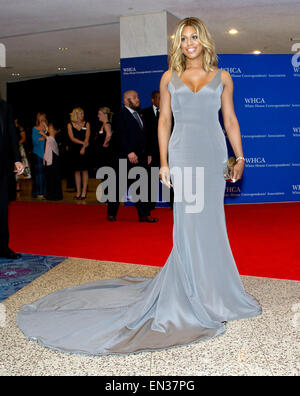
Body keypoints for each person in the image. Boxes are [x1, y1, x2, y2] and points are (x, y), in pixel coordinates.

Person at [17, 18, 261, 355]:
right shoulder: (169, 78)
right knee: (188, 223)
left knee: (212, 223)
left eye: (194, 37)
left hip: (213, 154)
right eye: (183, 38)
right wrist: (163, 162)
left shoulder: (223, 77)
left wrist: (240, 157)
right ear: (179, 44)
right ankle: (188, 292)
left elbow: (230, 119)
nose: (189, 42)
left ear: (204, 41)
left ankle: (216, 290)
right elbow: (163, 121)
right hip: (182, 153)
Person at [106, 90, 158, 223]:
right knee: (119, 187)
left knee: (141, 187)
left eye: (137, 97)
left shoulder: (140, 114)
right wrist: (129, 152)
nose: (137, 99)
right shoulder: (120, 115)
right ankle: (111, 213)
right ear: (126, 101)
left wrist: (148, 153)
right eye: (134, 97)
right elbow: (120, 136)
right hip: (125, 157)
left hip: (141, 157)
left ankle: (144, 215)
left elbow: (145, 136)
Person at [0, 98, 24, 259]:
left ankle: (3, 248)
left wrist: (17, 159)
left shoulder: (4, 106)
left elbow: (11, 133)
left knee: (2, 209)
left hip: (2, 166)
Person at [142, 91, 161, 210]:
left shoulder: (169, 111)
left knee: (169, 177)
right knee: (151, 178)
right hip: (151, 152)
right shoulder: (144, 113)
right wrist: (147, 152)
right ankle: (150, 204)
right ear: (153, 99)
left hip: (166, 151)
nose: (161, 100)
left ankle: (173, 203)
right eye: (158, 98)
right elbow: (144, 135)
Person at [67, 108, 90, 200]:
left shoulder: (87, 124)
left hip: (84, 149)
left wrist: (84, 147)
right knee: (76, 171)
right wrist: (82, 143)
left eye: (83, 113)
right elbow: (72, 138)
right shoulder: (70, 124)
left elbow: (87, 138)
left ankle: (84, 192)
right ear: (75, 114)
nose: (82, 115)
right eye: (81, 114)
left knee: (84, 170)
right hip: (74, 149)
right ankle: (78, 192)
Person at [44, 123, 63, 201]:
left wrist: (42, 133)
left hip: (53, 161)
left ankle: (55, 195)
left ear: (55, 131)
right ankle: (50, 194)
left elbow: (48, 139)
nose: (49, 130)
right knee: (49, 178)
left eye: (51, 128)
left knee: (53, 178)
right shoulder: (50, 138)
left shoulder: (52, 139)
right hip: (49, 160)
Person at [32, 113, 47, 199]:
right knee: (39, 174)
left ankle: (45, 191)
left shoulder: (47, 128)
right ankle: (39, 192)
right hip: (38, 153)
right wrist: (43, 137)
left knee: (45, 173)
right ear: (38, 119)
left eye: (43, 117)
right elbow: (34, 142)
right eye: (40, 117)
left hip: (46, 154)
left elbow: (50, 137)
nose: (42, 119)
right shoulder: (35, 129)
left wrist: (46, 130)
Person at [93, 107, 113, 171]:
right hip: (102, 154)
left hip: (106, 154)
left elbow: (109, 135)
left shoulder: (107, 124)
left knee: (106, 173)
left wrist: (105, 143)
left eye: (99, 114)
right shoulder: (103, 125)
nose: (98, 116)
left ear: (105, 115)